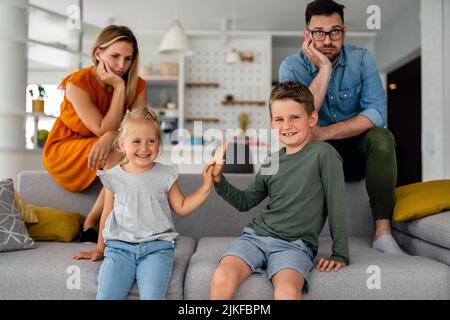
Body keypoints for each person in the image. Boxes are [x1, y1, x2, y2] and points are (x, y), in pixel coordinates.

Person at [279, 0, 405, 255]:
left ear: (344, 32)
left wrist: (325, 132)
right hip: (315, 155)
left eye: (334, 32)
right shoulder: (291, 66)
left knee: (382, 137)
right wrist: (324, 69)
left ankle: (382, 234)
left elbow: (377, 113)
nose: (327, 40)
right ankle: (297, 236)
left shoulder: (362, 58)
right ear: (307, 35)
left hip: (355, 149)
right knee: (293, 147)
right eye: (319, 32)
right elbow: (298, 118)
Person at [209, 81, 349, 300]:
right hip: (254, 238)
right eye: (280, 119)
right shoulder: (271, 161)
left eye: (295, 117)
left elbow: (337, 205)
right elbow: (245, 201)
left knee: (287, 293)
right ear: (272, 123)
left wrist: (340, 254)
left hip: (295, 246)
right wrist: (218, 179)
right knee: (222, 276)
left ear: (312, 118)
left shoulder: (325, 154)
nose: (287, 125)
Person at [72, 107, 214, 300]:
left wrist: (206, 186)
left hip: (157, 250)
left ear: (159, 144)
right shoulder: (113, 176)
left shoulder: (166, 174)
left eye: (151, 141)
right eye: (136, 141)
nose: (144, 148)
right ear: (122, 144)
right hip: (119, 249)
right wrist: (99, 249)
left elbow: (182, 206)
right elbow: (107, 214)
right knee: (107, 296)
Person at [43, 25, 147, 242]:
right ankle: (98, 225)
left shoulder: (137, 84)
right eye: (115, 56)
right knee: (120, 153)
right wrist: (119, 88)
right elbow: (102, 128)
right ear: (98, 53)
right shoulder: (77, 83)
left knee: (130, 149)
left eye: (128, 59)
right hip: (66, 147)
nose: (121, 65)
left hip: (106, 144)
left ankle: (92, 221)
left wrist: (111, 136)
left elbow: (139, 128)